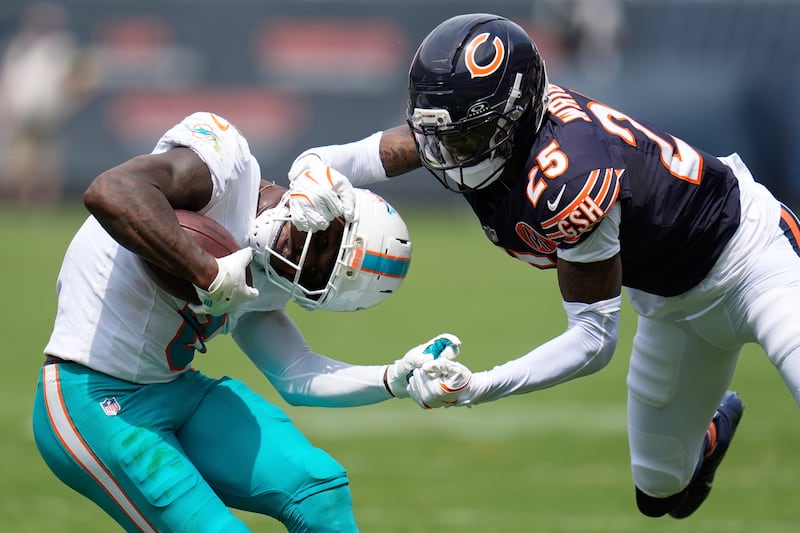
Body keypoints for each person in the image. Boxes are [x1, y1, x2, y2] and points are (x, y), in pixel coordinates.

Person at [282, 12, 800, 520]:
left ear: (517, 116)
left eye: (464, 139)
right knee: (663, 493)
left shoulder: (569, 176)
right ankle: (711, 428)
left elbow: (592, 338)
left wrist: (481, 385)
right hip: (670, 304)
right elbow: (338, 160)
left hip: (753, 258)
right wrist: (308, 175)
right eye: (438, 136)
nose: (446, 154)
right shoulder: (465, 128)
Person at [32, 110, 461, 532]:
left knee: (319, 492)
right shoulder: (226, 167)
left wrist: (392, 378)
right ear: (335, 206)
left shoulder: (272, 279)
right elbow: (111, 191)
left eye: (315, 274)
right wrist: (207, 271)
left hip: (176, 389)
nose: (301, 257)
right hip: (93, 398)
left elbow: (296, 372)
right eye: (324, 242)